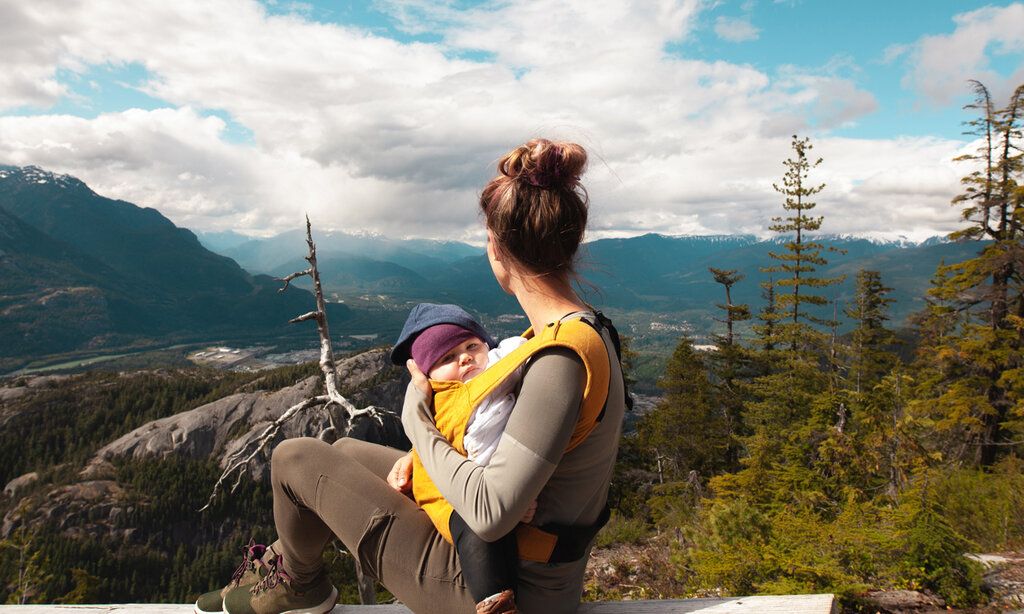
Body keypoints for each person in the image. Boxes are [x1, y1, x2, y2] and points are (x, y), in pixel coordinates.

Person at [197, 137, 627, 614]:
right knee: (347, 452)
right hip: (524, 565)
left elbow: (490, 513)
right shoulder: (579, 332)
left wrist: (417, 421)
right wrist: (421, 454)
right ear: (571, 242)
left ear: (496, 247)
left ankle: (300, 585)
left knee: (295, 458)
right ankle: (281, 567)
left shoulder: (560, 360)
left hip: (503, 588)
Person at [388, 303, 534, 612]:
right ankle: (493, 601)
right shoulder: (443, 399)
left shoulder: (502, 369)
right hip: (451, 496)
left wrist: (518, 494)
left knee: (494, 530)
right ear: (429, 375)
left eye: (472, 346)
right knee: (476, 532)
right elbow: (442, 438)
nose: (465, 357)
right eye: (447, 358)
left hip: (497, 485)